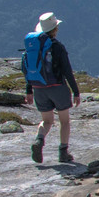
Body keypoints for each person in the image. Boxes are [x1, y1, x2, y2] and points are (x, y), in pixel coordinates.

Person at [23, 12, 81, 163]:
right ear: (55, 29)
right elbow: (67, 70)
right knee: (65, 121)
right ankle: (63, 153)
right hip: (58, 87)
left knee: (47, 121)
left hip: (39, 87)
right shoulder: (57, 47)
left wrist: (29, 90)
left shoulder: (32, 48)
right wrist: (75, 91)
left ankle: (39, 140)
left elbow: (27, 69)